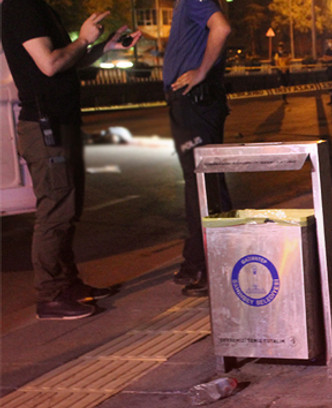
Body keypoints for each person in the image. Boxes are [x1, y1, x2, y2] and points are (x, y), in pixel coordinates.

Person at [2, 1, 141, 320]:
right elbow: (49, 65)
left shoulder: (40, 8)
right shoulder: (21, 8)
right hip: (45, 125)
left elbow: (65, 63)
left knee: (68, 207)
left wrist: (101, 47)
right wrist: (82, 39)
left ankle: (68, 285)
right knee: (55, 210)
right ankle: (50, 295)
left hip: (61, 121)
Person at [163, 0, 232, 297]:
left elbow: (222, 27)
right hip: (189, 102)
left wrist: (201, 71)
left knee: (203, 184)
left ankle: (212, 265)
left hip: (194, 101)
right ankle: (196, 259)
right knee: (202, 181)